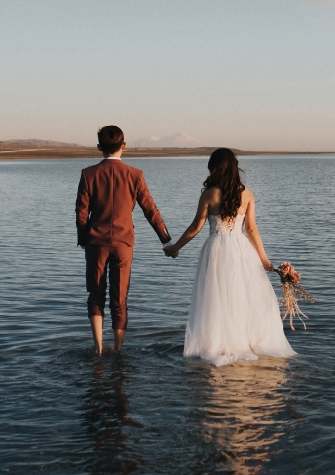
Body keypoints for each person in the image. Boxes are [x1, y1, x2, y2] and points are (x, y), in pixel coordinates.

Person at [164, 148, 296, 366]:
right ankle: (244, 340)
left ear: (214, 168)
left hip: (215, 249)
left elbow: (196, 227)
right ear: (235, 168)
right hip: (241, 250)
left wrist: (176, 247)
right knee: (241, 296)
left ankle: (221, 342)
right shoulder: (247, 194)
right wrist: (264, 260)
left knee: (217, 298)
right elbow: (252, 229)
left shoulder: (208, 194)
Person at [76, 125, 171, 355]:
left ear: (99, 147)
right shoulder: (135, 175)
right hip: (124, 244)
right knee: (120, 301)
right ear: (124, 146)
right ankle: (117, 351)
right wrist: (166, 240)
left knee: (96, 296)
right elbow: (150, 210)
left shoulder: (88, 174)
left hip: (96, 244)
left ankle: (98, 349)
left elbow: (81, 212)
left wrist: (84, 238)